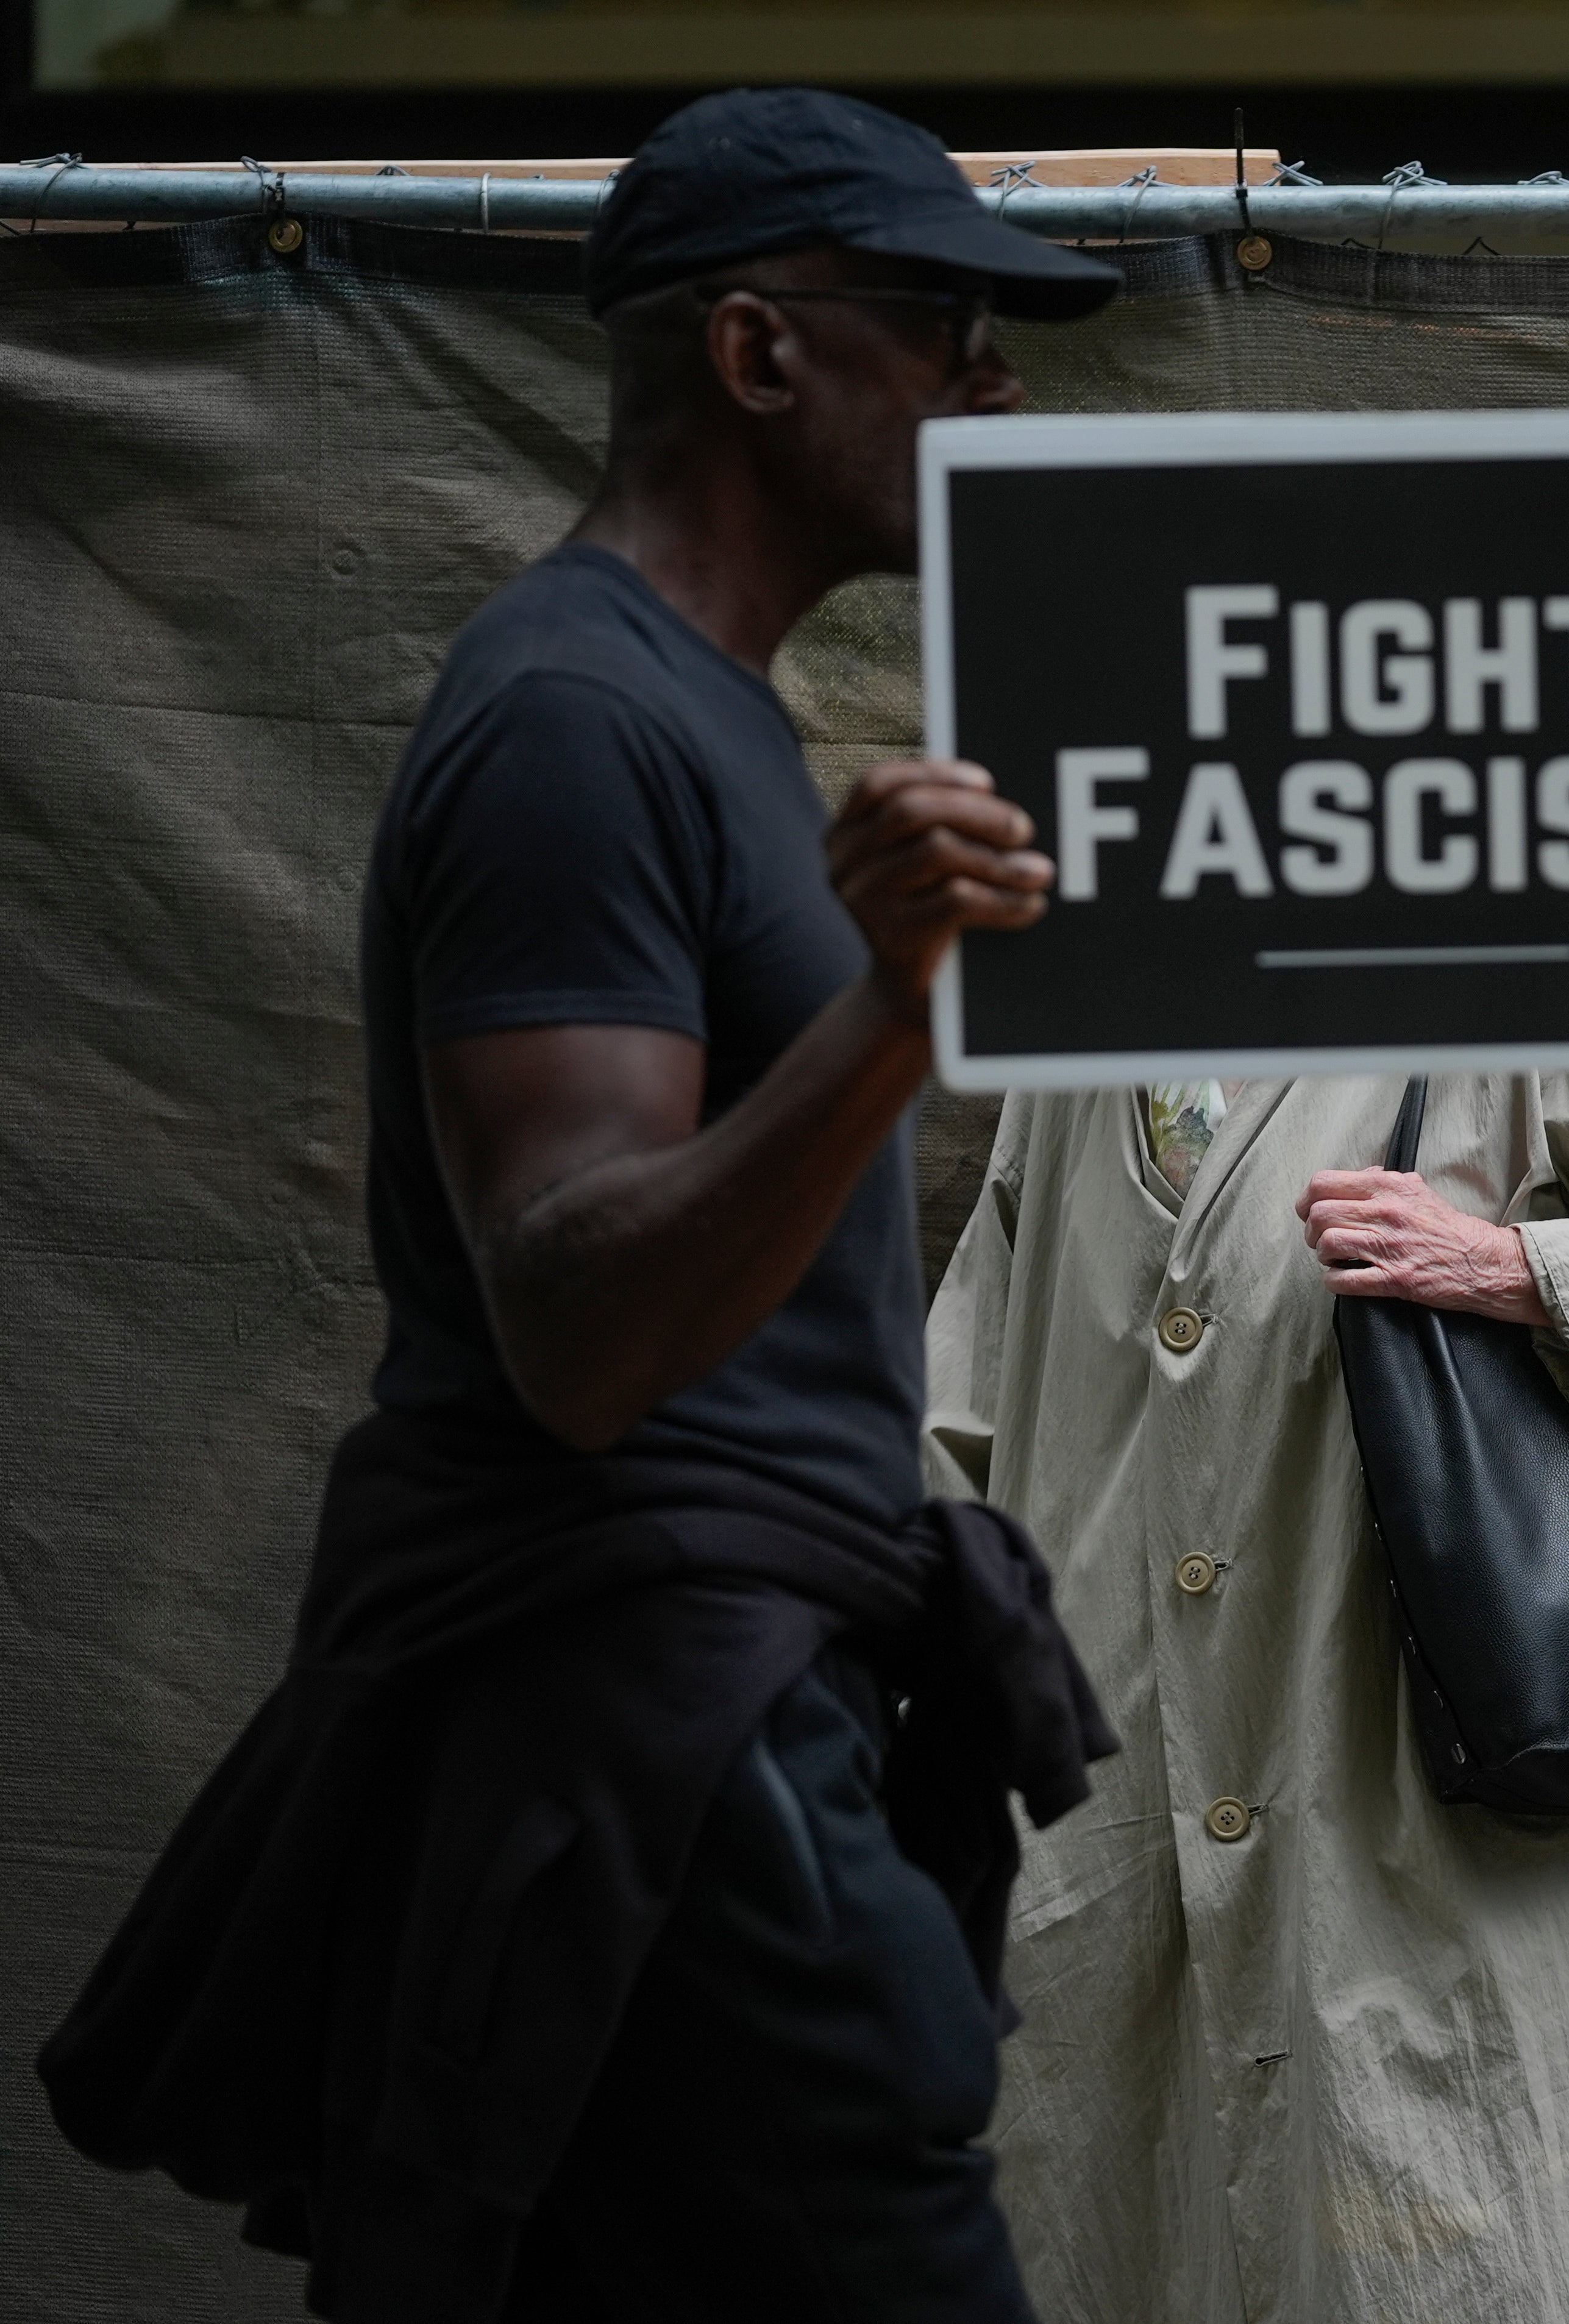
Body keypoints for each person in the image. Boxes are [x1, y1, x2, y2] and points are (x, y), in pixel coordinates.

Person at [39, 90, 1122, 2322]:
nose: (998, 384)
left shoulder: (696, 713)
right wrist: (901, 1015)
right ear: (756, 353)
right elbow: (576, 1324)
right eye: (944, 326)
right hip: (663, 1751)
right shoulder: (567, 719)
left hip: (700, 1723)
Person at [922, 1065, 1569, 2322]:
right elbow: (962, 1420)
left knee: (1504, 2262)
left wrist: (1508, 1267)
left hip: (1473, 1821)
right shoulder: (1082, 1046)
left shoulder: (1542, 938)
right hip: (1127, 1833)